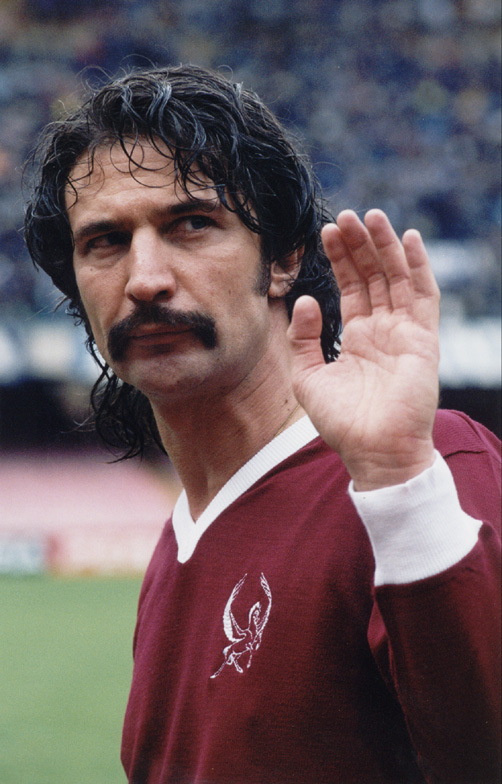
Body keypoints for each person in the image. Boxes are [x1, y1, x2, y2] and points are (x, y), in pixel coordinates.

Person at [25, 64, 500, 784]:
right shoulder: (179, 547)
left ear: (283, 259)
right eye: (105, 241)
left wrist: (400, 482)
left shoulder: (426, 468)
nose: (145, 278)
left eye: (192, 225)